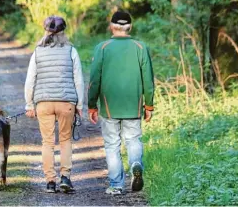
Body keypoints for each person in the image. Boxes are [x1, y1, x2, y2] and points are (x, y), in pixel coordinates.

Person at [87, 11, 155, 195]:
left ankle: (116, 185)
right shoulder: (141, 47)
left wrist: (91, 104)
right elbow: (148, 80)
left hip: (109, 106)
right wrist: (149, 105)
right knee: (133, 139)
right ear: (130, 27)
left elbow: (94, 79)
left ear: (111, 26)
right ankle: (135, 163)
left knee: (112, 145)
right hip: (133, 104)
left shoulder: (102, 48)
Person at [24, 16, 85, 194]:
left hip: (43, 103)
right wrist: (79, 104)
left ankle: (50, 181)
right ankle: (65, 177)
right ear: (63, 32)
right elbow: (78, 79)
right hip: (66, 103)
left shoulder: (38, 51)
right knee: (65, 140)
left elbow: (30, 80)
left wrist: (29, 104)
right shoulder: (71, 50)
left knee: (47, 142)